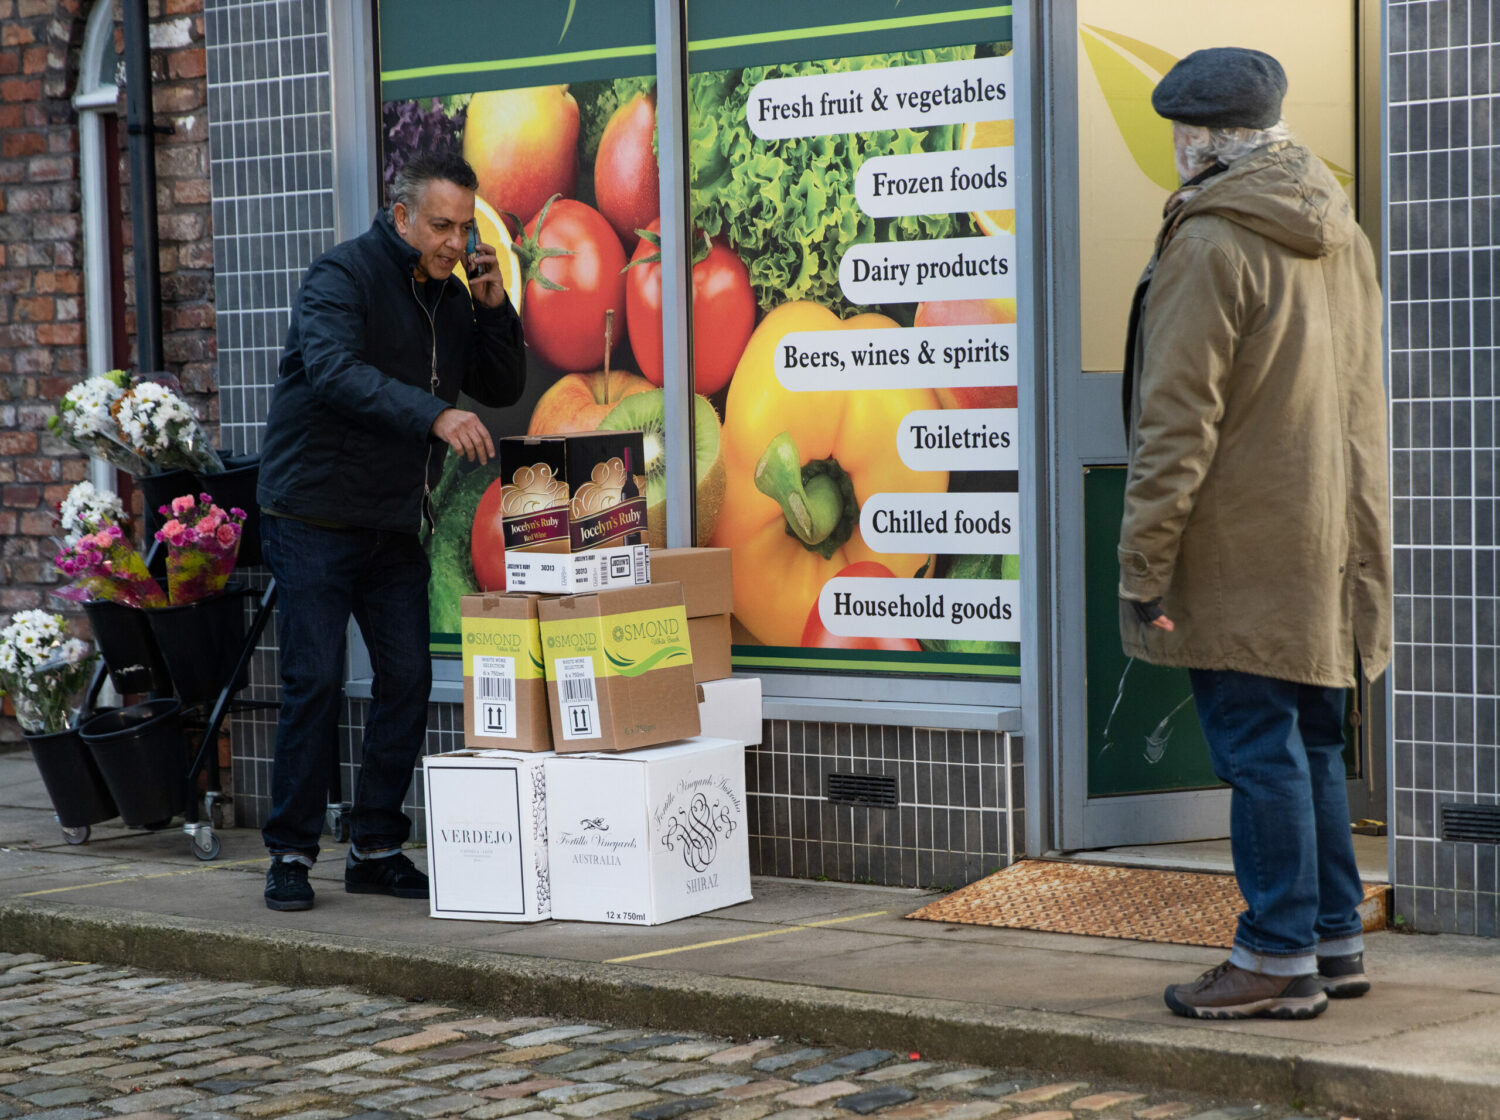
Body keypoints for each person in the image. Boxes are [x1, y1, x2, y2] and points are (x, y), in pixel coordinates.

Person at [1117, 48, 1391, 1019]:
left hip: (1240, 545)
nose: (1176, 150)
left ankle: (1276, 956)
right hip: (1325, 542)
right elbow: (1362, 405)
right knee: (1312, 741)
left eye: (1180, 134)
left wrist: (1143, 565)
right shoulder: (1339, 232)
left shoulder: (1211, 240)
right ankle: (1332, 935)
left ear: (1207, 139)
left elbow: (1176, 423)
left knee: (1256, 749)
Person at [256, 151, 525, 911]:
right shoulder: (342, 277)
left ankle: (375, 845)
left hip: (392, 522)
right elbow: (334, 371)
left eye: (464, 227)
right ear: (400, 216)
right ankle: (291, 853)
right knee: (315, 680)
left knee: (407, 677)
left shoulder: (450, 293)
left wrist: (495, 306)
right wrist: (432, 413)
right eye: (441, 225)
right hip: (311, 514)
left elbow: (501, 386)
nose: (454, 240)